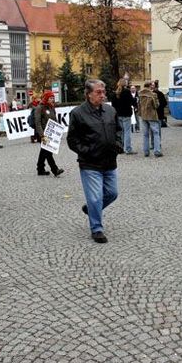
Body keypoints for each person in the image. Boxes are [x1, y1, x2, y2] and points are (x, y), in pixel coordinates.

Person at [67, 79, 123, 244]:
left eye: (103, 92)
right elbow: (72, 140)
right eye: (98, 92)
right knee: (95, 198)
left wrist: (118, 145)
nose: (102, 95)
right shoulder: (78, 113)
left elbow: (118, 131)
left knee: (112, 193)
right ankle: (97, 229)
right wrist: (87, 151)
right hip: (90, 164)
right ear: (88, 94)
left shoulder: (110, 110)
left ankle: (91, 210)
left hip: (110, 161)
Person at [34, 91, 65, 177]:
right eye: (51, 98)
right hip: (43, 133)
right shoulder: (39, 108)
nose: (52, 99)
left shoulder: (51, 107)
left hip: (51, 133)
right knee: (48, 151)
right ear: (46, 98)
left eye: (53, 98)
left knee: (43, 151)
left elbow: (55, 120)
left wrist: (58, 131)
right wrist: (42, 135)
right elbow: (38, 123)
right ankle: (55, 169)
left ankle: (40, 169)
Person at [112, 78, 136, 154]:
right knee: (127, 132)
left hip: (118, 114)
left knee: (121, 132)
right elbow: (132, 102)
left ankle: (121, 148)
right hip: (126, 114)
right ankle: (128, 149)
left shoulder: (115, 93)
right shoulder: (127, 92)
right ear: (125, 84)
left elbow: (113, 105)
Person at [138, 81, 162, 157]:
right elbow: (156, 105)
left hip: (144, 116)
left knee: (145, 134)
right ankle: (157, 151)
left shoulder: (140, 94)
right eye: (151, 85)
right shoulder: (153, 94)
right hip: (152, 116)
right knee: (156, 133)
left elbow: (138, 105)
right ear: (149, 86)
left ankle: (146, 152)